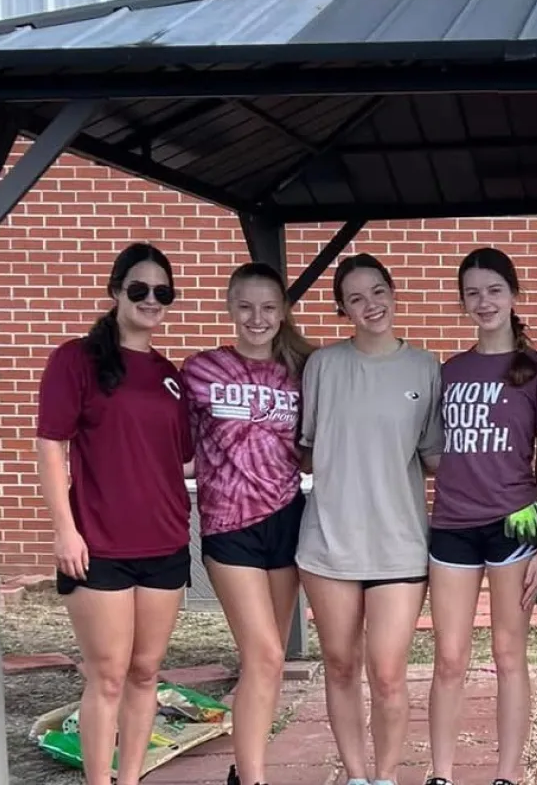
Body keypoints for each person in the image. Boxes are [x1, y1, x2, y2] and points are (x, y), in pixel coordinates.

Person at [34, 242, 193, 785]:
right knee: (107, 676)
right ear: (115, 291)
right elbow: (51, 445)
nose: (152, 300)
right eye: (140, 289)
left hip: (166, 544)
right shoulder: (76, 359)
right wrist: (64, 530)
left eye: (162, 292)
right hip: (99, 545)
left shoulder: (171, 376)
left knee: (146, 673)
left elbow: (181, 456)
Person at [295, 253, 443, 785]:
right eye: (355, 298)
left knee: (386, 673)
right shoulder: (323, 366)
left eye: (377, 291)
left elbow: (433, 457)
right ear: (342, 308)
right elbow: (306, 450)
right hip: (329, 542)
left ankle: (385, 777)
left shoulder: (426, 368)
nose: (370, 305)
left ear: (393, 292)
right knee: (339, 665)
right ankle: (356, 776)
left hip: (399, 543)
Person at [426, 247, 537, 785]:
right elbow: (434, 450)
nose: (483, 302)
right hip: (452, 523)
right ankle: (441, 773)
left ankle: (507, 773)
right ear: (462, 302)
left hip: (515, 523)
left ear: (513, 295)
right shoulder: (449, 371)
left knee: (508, 654)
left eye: (493, 290)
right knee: (449, 658)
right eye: (472, 293)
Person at [182, 262, 314, 785]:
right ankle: (253, 780)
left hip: (286, 518)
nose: (256, 318)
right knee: (260, 651)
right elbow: (175, 447)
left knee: (272, 659)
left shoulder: (302, 372)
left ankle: (247, 767)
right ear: (229, 307)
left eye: (267, 307)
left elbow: (308, 453)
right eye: (245, 306)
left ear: (282, 312)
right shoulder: (200, 371)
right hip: (227, 524)